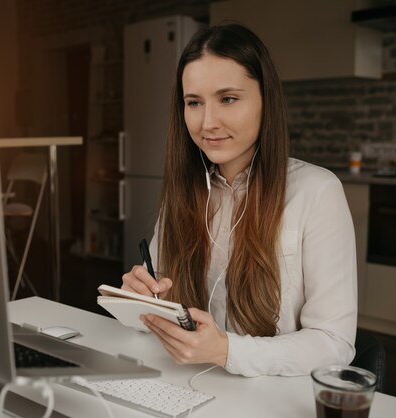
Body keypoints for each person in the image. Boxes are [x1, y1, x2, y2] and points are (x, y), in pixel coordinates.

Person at [121, 23, 357, 377]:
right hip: (185, 384)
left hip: (271, 398)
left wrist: (227, 351)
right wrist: (138, 300)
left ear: (266, 100)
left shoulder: (317, 191)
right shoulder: (183, 193)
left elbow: (334, 343)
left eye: (228, 99)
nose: (208, 122)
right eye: (194, 102)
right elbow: (161, 305)